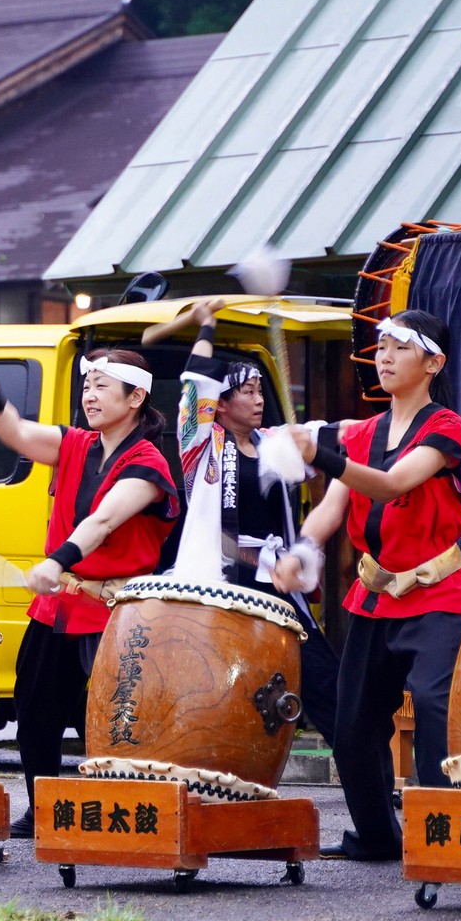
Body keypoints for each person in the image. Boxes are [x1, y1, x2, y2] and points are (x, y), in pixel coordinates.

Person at [0, 347, 178, 838]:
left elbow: (103, 520)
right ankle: (42, 808)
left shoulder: (148, 464)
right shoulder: (75, 443)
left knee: (112, 720)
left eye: (102, 386)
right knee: (36, 712)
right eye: (87, 385)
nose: (89, 395)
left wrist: (56, 560)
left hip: (114, 612)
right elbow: (18, 433)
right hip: (58, 607)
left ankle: (125, 814)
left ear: (136, 396)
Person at [278, 309, 461, 862]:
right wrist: (304, 548)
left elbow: (389, 486)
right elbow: (333, 507)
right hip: (372, 596)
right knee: (354, 719)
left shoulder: (446, 428)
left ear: (433, 362)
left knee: (436, 703)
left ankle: (442, 835)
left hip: (437, 594)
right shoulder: (365, 432)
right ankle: (377, 836)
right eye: (380, 347)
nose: (383, 357)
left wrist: (323, 454)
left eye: (398, 348)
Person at [179, 302, 338, 708]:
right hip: (223, 574)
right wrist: (207, 328)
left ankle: (355, 762)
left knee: (321, 677)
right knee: (225, 680)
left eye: (259, 391)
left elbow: (325, 437)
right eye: (246, 392)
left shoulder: (272, 444)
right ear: (222, 404)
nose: (258, 399)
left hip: (274, 573)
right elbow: (195, 387)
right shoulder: (201, 445)